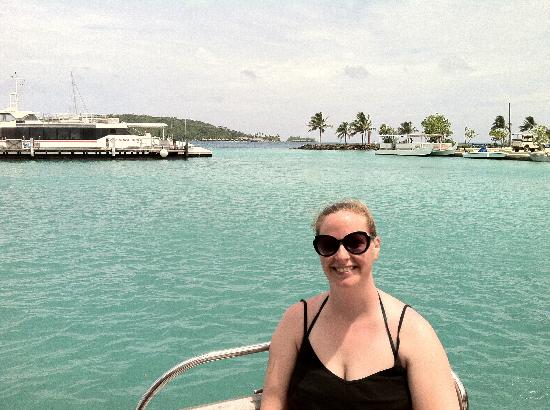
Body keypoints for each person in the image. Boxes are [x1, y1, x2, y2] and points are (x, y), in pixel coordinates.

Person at [261, 199, 459, 409]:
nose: (341, 256)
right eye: (328, 244)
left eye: (355, 243)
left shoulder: (413, 332)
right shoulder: (296, 321)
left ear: (376, 246)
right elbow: (272, 401)